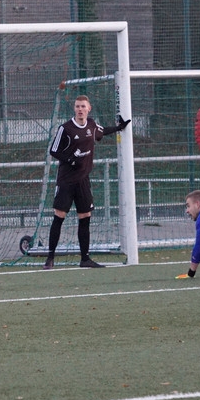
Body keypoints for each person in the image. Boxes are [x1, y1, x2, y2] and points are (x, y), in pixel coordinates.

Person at [43, 95, 129, 269]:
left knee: (85, 217)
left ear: (89, 108)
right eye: (77, 106)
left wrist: (120, 127)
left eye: (83, 106)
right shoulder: (65, 128)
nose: (80, 109)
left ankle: (85, 259)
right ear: (74, 109)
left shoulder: (91, 125)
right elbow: (53, 150)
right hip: (66, 181)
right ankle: (50, 258)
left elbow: (102, 131)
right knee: (59, 217)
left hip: (83, 180)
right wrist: (71, 160)